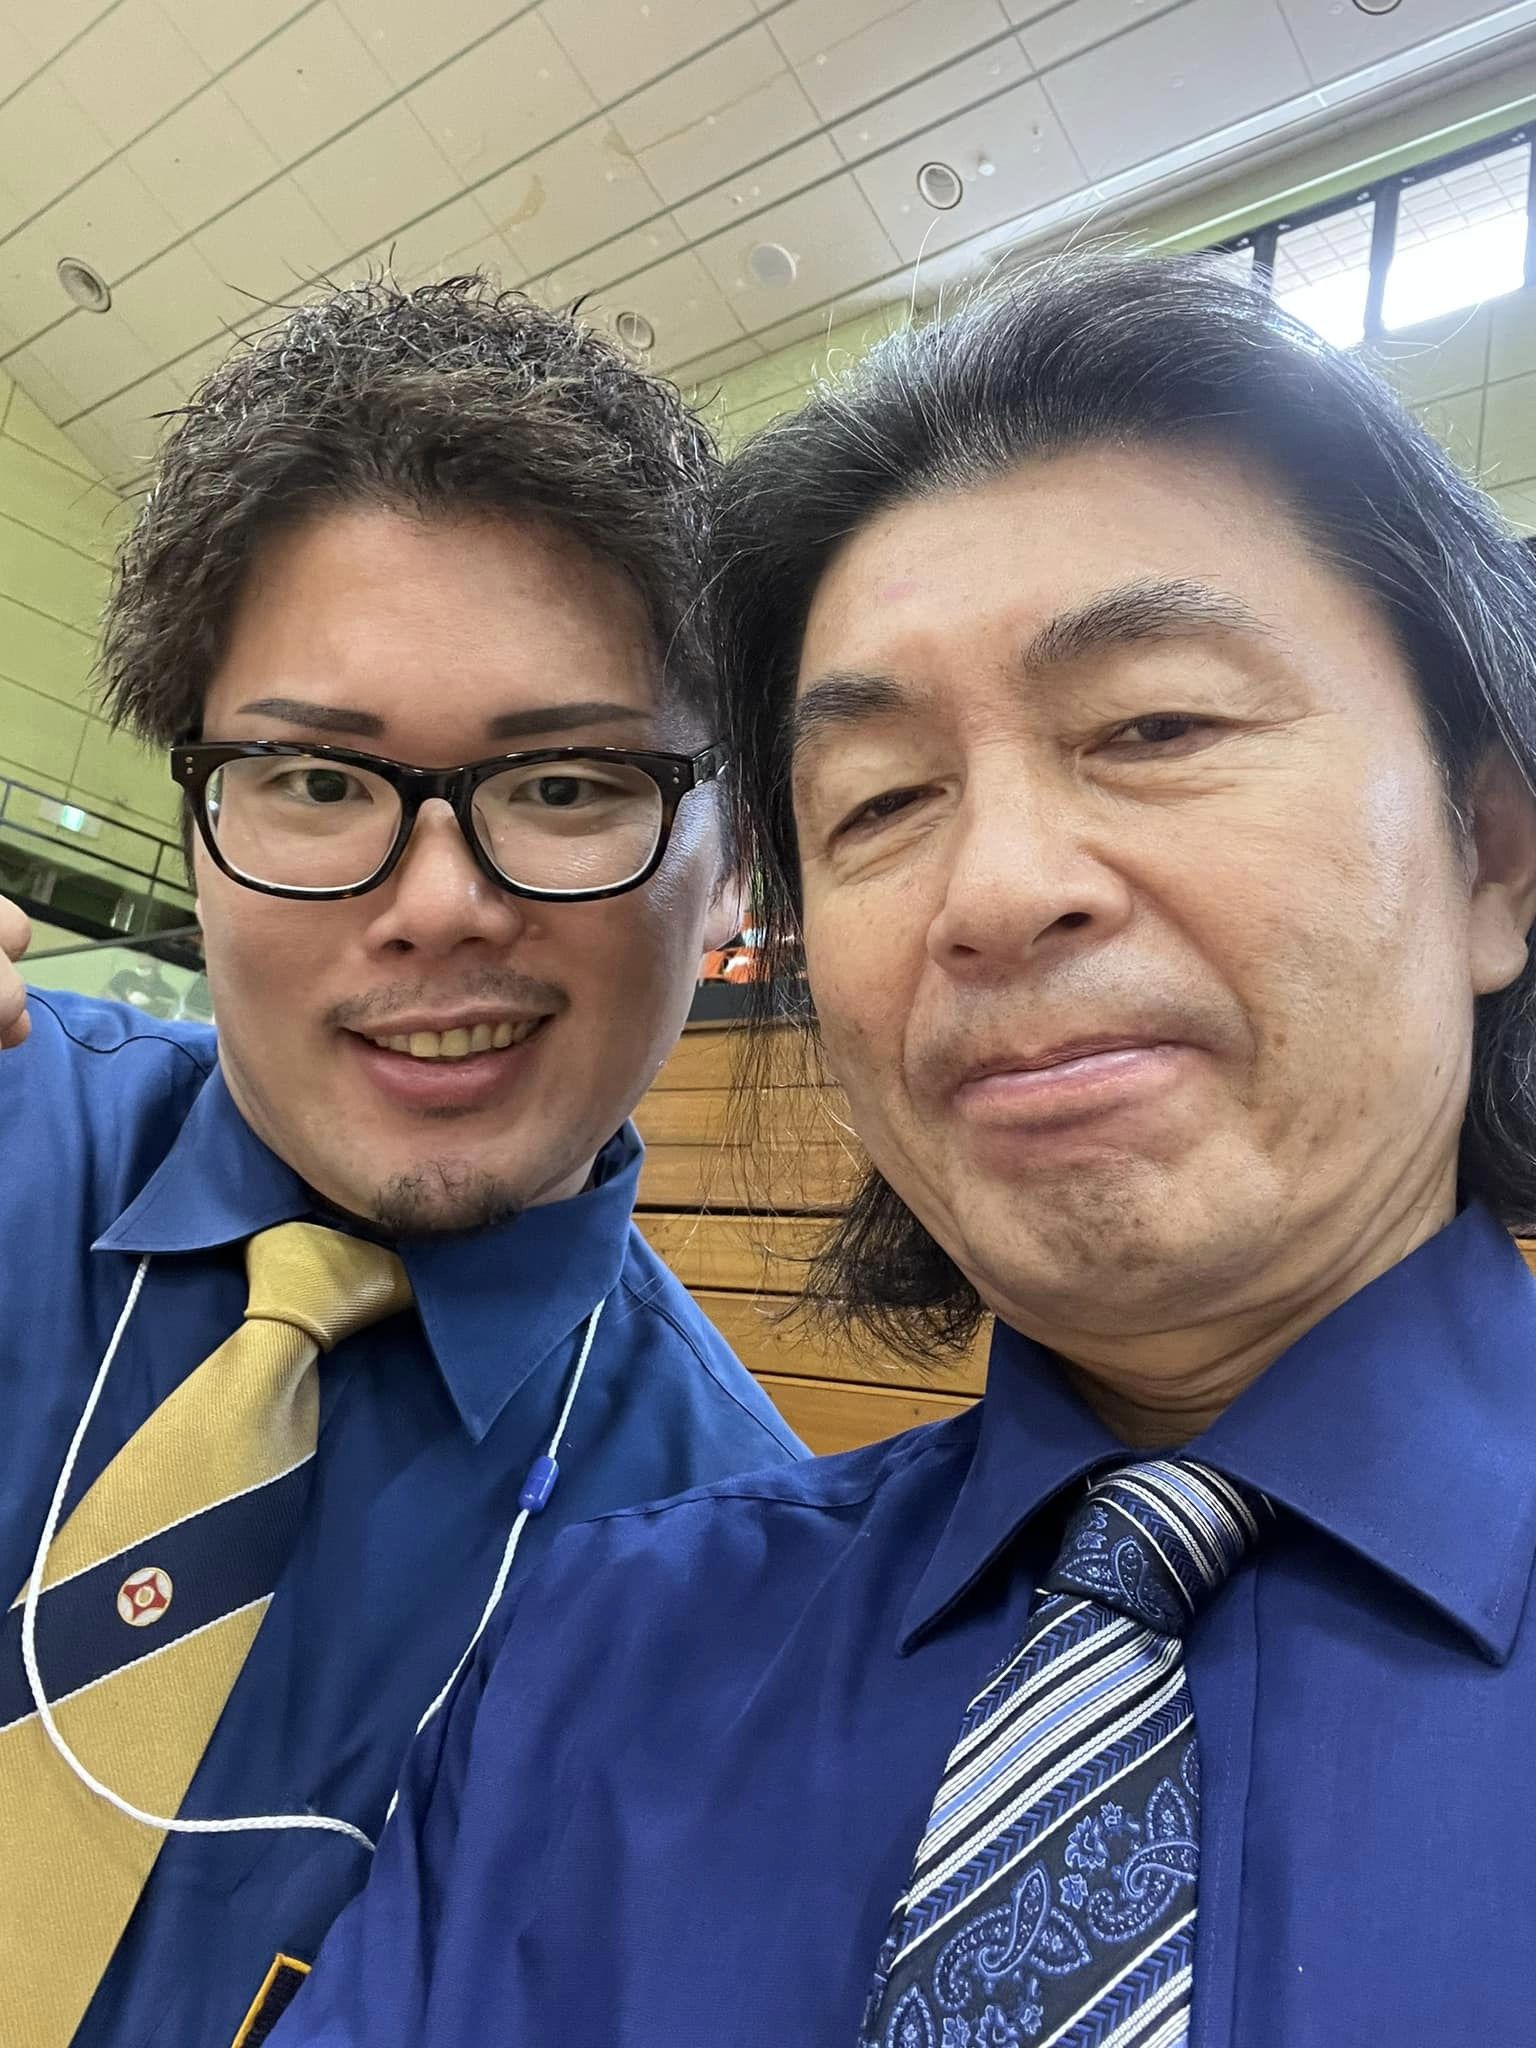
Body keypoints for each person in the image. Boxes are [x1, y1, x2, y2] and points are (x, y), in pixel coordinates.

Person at [272, 254, 1536, 2048]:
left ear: (1493, 854)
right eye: (879, 803)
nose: (996, 890)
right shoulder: (595, 1662)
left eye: (1156, 725)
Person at [0, 277, 802, 2048]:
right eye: (314, 780)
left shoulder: (744, 1601)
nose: (439, 905)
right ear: (197, 825)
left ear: (735, 867)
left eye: (570, 786)